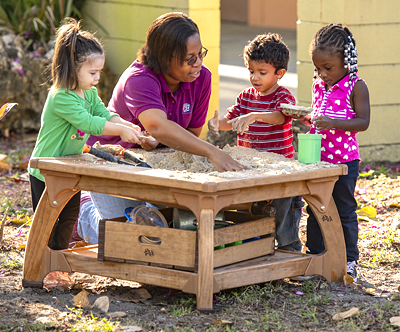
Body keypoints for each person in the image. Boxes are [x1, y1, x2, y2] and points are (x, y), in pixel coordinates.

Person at [73, 12, 247, 244]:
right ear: (165, 59)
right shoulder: (139, 79)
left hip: (158, 167)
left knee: (166, 234)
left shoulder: (202, 78)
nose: (198, 64)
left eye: (200, 54)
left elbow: (190, 135)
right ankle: (84, 214)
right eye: (189, 59)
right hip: (115, 167)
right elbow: (157, 126)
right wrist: (213, 151)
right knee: (127, 240)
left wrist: (161, 141)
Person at [28, 18, 143, 250]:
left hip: (69, 169)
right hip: (46, 171)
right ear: (73, 67)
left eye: (99, 72)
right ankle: (40, 260)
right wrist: (120, 130)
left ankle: (57, 260)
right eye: (93, 72)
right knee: (48, 221)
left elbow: (105, 113)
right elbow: (90, 123)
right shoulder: (60, 96)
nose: (97, 78)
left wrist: (127, 125)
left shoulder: (89, 92)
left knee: (69, 218)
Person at [208, 33, 304, 253]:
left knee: (284, 206)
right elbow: (230, 122)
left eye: (262, 72)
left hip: (279, 168)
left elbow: (281, 117)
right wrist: (216, 123)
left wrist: (254, 116)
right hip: (250, 167)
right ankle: (254, 248)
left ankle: (290, 250)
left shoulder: (283, 96)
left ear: (279, 73)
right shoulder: (245, 97)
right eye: (251, 71)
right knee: (251, 209)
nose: (255, 77)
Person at [290, 23, 370, 282]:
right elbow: (319, 117)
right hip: (319, 160)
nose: (322, 74)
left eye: (328, 68)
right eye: (317, 68)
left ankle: (349, 261)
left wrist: (334, 123)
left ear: (347, 62)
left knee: (344, 209)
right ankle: (315, 255)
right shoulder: (318, 84)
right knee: (315, 207)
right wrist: (309, 119)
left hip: (345, 163)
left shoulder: (356, 86)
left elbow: (363, 122)